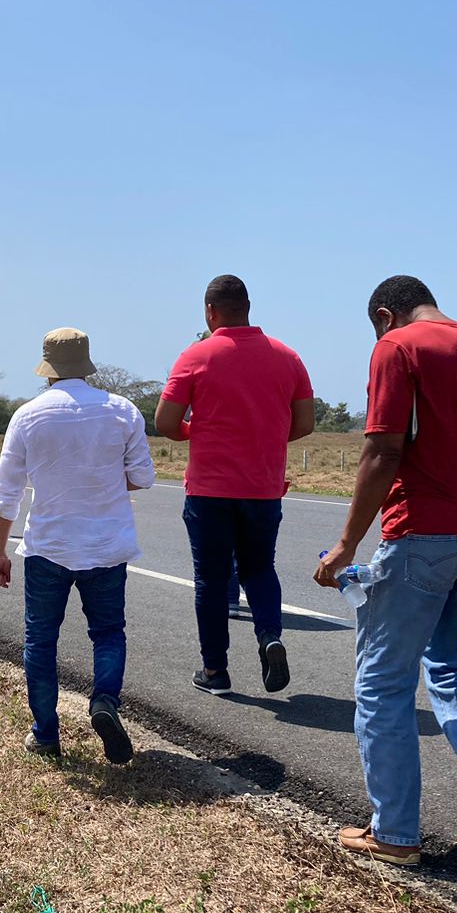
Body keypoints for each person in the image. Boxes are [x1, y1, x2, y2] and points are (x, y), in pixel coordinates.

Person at [314, 275, 457, 867]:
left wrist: (345, 544)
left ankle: (394, 833)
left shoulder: (399, 347)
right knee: (455, 661)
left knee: (383, 682)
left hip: (421, 537)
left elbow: (384, 450)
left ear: (385, 316)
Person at [0, 328, 155, 763]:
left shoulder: (27, 416)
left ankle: (46, 733)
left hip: (49, 546)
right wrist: (101, 480)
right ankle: (104, 702)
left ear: (47, 370)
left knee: (40, 640)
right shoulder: (122, 410)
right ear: (87, 364)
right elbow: (142, 476)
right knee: (107, 632)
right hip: (107, 546)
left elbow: (7, 493)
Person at [155, 275, 314, 696]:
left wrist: (201, 431)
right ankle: (269, 636)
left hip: (209, 489)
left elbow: (166, 423)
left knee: (210, 578)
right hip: (262, 488)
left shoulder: (196, 356)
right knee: (260, 568)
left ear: (210, 312)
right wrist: (263, 434)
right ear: (248, 306)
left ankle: (215, 672)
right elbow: (305, 423)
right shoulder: (288, 357)